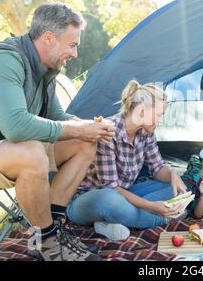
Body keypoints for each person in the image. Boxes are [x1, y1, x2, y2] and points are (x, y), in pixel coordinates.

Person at [0, 2, 115, 261]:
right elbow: (16, 127)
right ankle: (47, 245)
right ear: (48, 38)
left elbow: (57, 118)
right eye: (72, 44)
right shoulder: (3, 59)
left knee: (83, 143)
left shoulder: (46, 70)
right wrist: (79, 127)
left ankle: (54, 234)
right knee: (32, 152)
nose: (75, 53)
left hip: (9, 149)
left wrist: (90, 128)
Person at [67, 80, 187, 240]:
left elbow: (158, 167)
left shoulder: (146, 132)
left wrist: (173, 175)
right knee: (109, 201)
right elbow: (112, 188)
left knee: (172, 188)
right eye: (158, 115)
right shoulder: (108, 132)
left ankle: (113, 222)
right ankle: (163, 217)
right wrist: (152, 206)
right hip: (91, 199)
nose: (160, 120)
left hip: (125, 194)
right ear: (142, 111)